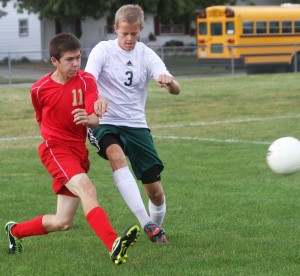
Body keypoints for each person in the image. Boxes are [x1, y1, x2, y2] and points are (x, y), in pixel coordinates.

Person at [5, 32, 139, 265]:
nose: (76, 63)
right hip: (55, 150)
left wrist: (89, 119)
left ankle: (14, 232)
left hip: (78, 151)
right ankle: (113, 244)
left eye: (78, 57)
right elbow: (40, 120)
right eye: (69, 59)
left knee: (63, 222)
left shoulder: (87, 80)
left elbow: (95, 119)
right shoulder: (39, 89)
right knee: (88, 189)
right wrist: (53, 139)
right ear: (55, 61)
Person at [85, 4, 180, 244]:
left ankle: (155, 231)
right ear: (116, 28)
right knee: (116, 154)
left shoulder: (146, 54)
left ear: (141, 30)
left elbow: (176, 89)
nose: (129, 39)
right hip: (105, 122)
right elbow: (88, 81)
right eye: (124, 33)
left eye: (134, 34)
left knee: (156, 193)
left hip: (136, 125)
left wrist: (169, 83)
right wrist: (96, 96)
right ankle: (145, 222)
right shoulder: (103, 50)